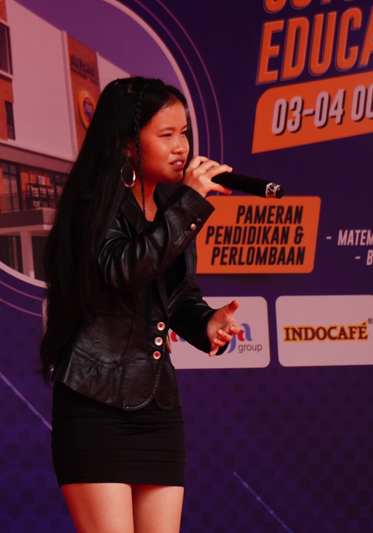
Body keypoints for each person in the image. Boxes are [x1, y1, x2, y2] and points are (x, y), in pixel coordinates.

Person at [40, 77, 240, 533]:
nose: (181, 147)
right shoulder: (92, 205)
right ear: (125, 143)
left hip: (156, 406)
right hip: (95, 402)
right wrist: (189, 204)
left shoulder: (169, 206)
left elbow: (174, 294)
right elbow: (124, 270)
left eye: (184, 133)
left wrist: (207, 323)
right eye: (166, 134)